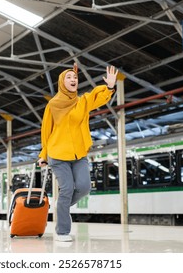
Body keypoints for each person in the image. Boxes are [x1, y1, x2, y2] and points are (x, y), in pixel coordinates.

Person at [37, 63, 118, 242]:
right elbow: (46, 131)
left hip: (78, 153)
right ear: (61, 82)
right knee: (66, 189)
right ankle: (62, 232)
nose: (73, 80)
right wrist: (43, 155)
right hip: (57, 154)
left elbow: (97, 97)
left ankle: (61, 207)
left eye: (75, 78)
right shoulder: (53, 104)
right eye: (69, 77)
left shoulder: (81, 102)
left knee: (84, 187)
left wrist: (110, 87)